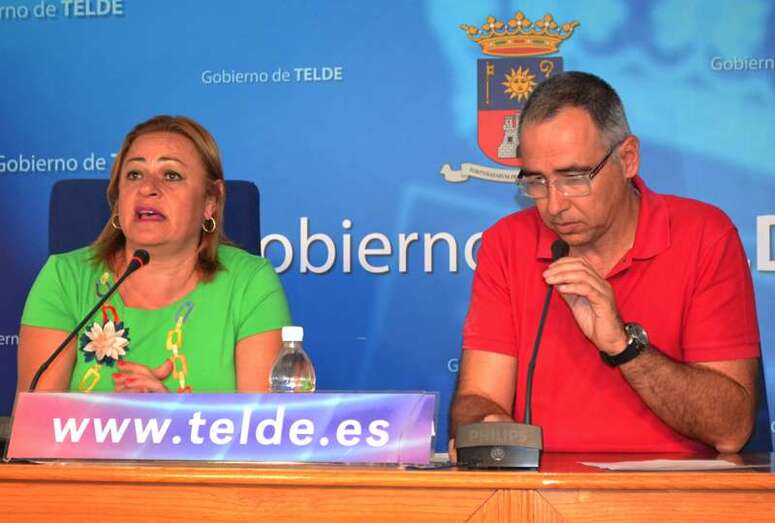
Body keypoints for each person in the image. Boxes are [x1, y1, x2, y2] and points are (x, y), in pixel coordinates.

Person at [450, 72, 760, 455]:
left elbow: (731, 429)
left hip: (671, 490)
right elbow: (478, 396)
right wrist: (485, 424)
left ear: (627, 158)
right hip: (541, 490)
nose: (554, 205)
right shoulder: (508, 242)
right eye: (537, 182)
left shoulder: (704, 236)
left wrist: (623, 345)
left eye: (573, 177)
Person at [18, 115, 291, 393]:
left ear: (210, 200)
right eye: (134, 175)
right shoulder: (64, 278)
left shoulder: (250, 283)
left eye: (171, 175)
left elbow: (264, 420)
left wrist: (165, 413)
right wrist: (119, 414)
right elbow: (33, 418)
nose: (147, 188)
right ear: (118, 198)